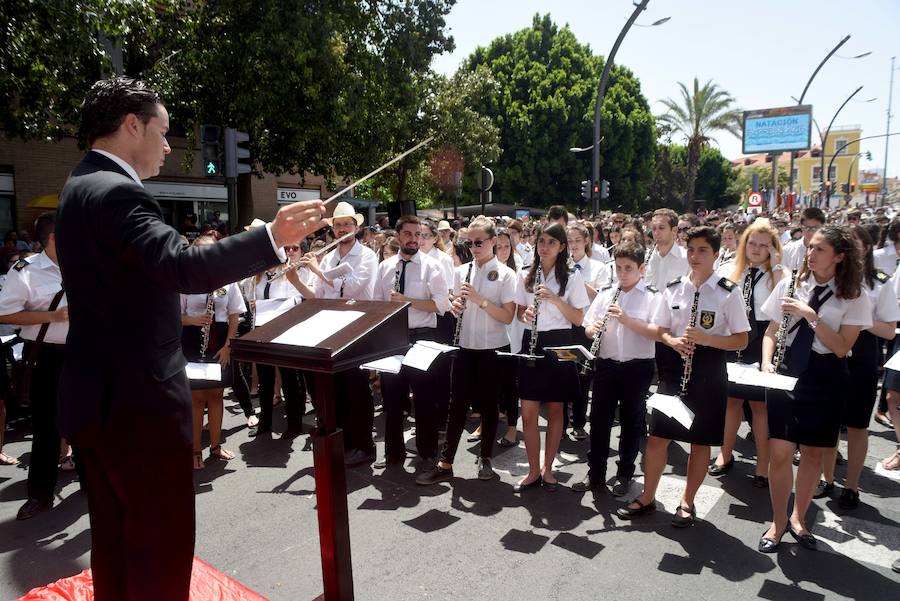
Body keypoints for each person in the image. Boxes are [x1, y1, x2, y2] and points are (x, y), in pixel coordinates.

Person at [54, 77, 325, 600]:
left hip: (98, 401)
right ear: (132, 125)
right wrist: (272, 237)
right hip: (139, 409)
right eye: (163, 131)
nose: (168, 146)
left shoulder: (79, 185)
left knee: (114, 544)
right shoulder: (117, 193)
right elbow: (182, 266)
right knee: (158, 550)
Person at [617, 226, 749, 527]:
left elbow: (741, 339)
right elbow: (661, 328)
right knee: (656, 439)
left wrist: (706, 339)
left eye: (703, 250)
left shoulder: (729, 291)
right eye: (691, 249)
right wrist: (672, 341)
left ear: (716, 254)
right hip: (675, 368)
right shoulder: (674, 287)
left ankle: (687, 502)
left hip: (709, 369)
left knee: (699, 443)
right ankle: (648, 496)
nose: (694, 255)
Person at [757, 225, 870, 553]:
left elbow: (841, 347)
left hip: (827, 375)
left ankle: (799, 518)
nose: (810, 253)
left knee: (813, 452)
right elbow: (771, 330)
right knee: (779, 451)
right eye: (810, 247)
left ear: (839, 256)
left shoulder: (853, 294)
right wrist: (766, 363)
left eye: (820, 249)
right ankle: (777, 522)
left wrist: (811, 316)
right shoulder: (792, 283)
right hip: (788, 370)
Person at [416, 217, 517, 484]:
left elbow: (508, 317)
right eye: (469, 242)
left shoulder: (506, 274)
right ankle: (445, 462)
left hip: (493, 348)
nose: (473, 247)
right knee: (456, 405)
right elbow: (451, 303)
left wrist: (479, 300)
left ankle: (485, 459)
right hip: (464, 347)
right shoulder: (461, 272)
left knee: (489, 406)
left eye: (479, 242)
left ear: (494, 242)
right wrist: (455, 305)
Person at [815, 225, 899, 508]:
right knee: (828, 421)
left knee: (857, 424)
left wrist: (859, 317)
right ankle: (826, 479)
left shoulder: (879, 282)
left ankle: (851, 485)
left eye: (858, 244)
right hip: (829, 352)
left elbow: (889, 331)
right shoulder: (827, 280)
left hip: (862, 354)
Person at [573, 240, 660, 496]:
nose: (622, 273)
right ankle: (595, 473)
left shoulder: (653, 296)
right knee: (599, 420)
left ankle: (624, 474)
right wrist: (594, 329)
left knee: (632, 421)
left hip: (638, 366)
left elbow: (656, 332)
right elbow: (587, 327)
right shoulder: (607, 292)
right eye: (619, 268)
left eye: (628, 268)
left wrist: (626, 320)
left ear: (641, 269)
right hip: (607, 364)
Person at [0, 212, 71, 520]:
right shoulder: (25, 270)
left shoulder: (86, 264)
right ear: (54, 237)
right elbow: (5, 315)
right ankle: (40, 495)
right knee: (47, 426)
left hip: (86, 353)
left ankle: (92, 483)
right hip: (47, 356)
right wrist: (52, 317)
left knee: (92, 421)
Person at [513, 223, 590, 493]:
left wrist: (556, 300)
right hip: (531, 341)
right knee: (529, 410)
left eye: (551, 243)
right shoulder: (525, 273)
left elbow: (579, 318)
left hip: (559, 341)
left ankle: (548, 469)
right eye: (541, 241)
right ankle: (533, 470)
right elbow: (520, 310)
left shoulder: (571, 276)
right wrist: (525, 315)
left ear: (561, 247)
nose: (544, 247)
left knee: (556, 409)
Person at [709, 219, 784, 486]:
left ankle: (762, 466)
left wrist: (775, 265)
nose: (756, 248)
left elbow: (783, 306)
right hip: (734, 335)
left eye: (764, 245)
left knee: (759, 406)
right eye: (752, 243)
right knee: (731, 402)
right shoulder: (731, 270)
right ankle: (724, 455)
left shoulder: (778, 273)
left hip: (761, 338)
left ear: (772, 248)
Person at [302, 202, 378, 466]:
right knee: (337, 390)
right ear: (333, 229)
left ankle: (365, 446)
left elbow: (354, 288)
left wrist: (317, 271)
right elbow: (319, 295)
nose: (343, 228)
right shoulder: (330, 256)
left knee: (357, 389)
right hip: (332, 328)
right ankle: (345, 443)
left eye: (347, 224)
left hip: (357, 327)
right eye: (338, 225)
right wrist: (297, 280)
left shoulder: (367, 256)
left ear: (356, 227)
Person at [372, 215, 450, 471]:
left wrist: (407, 301)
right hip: (394, 338)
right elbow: (377, 306)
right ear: (397, 236)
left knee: (424, 398)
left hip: (423, 336)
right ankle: (394, 453)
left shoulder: (432, 266)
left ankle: (427, 452)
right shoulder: (384, 267)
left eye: (418, 234)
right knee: (392, 400)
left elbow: (441, 305)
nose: (414, 239)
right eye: (408, 234)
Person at [180, 234, 246, 469]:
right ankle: (196, 450)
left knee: (217, 396)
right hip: (192, 341)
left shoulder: (227, 280)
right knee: (196, 398)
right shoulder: (186, 280)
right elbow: (175, 317)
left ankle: (216, 447)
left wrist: (228, 346)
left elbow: (234, 314)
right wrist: (193, 319)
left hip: (219, 343)